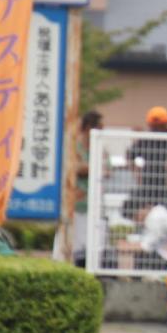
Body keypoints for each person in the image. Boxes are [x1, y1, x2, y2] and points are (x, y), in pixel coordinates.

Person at [56, 110, 102, 266]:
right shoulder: (74, 147)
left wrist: (90, 169)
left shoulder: (100, 148)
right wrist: (93, 169)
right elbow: (72, 168)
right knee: (71, 241)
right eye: (99, 127)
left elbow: (106, 169)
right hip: (75, 204)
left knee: (90, 244)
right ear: (89, 128)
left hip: (93, 206)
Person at [128, 107, 167, 215]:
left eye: (160, 125)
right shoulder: (145, 139)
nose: (157, 128)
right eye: (154, 125)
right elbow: (130, 156)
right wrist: (137, 174)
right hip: (149, 185)